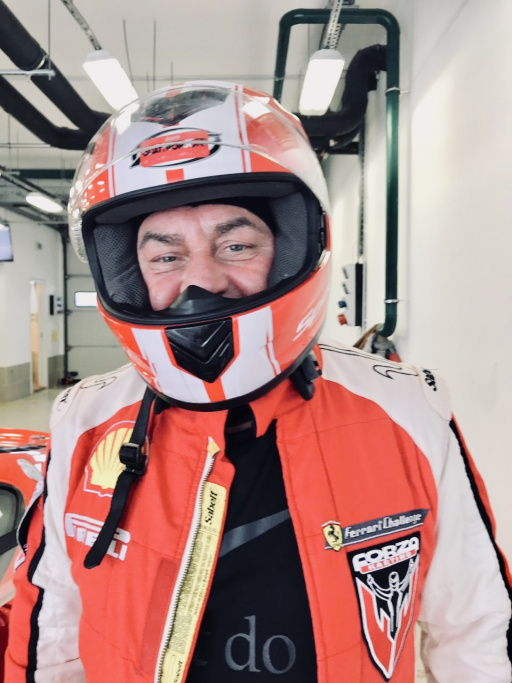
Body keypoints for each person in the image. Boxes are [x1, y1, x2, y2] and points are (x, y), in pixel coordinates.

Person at [5, 82, 512, 682]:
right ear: (128, 273)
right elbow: (52, 619)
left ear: (293, 246)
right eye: (165, 256)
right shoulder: (85, 419)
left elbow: (477, 628)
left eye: (237, 244)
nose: (203, 282)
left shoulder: (408, 407)